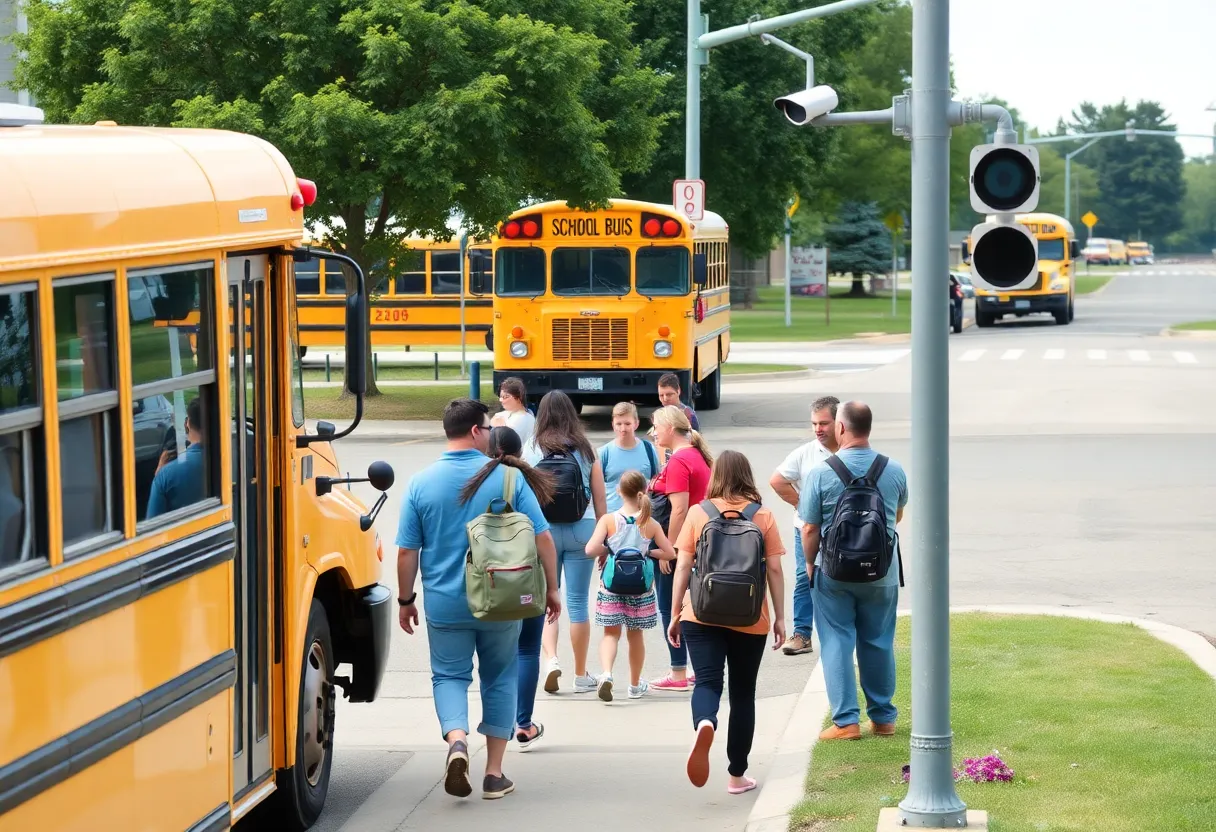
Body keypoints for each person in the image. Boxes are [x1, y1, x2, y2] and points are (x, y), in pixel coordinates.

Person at [396, 398, 561, 799]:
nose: (491, 434)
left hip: (445, 602)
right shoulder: (507, 479)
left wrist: (405, 599)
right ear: (475, 431)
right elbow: (541, 537)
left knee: (449, 675)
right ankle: (493, 773)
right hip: (500, 599)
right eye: (488, 428)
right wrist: (552, 587)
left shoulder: (421, 482)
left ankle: (456, 741)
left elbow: (406, 552)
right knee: (500, 676)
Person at [668, 450, 786, 794]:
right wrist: (780, 617)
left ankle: (705, 721)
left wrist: (676, 612)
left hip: (700, 613)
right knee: (743, 694)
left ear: (716, 476)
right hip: (750, 617)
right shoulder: (761, 516)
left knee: (706, 682)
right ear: (747, 476)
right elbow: (775, 569)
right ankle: (737, 775)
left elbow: (684, 567)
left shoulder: (697, 514)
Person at [798, 401, 908, 741]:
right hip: (881, 571)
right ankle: (883, 718)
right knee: (878, 640)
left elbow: (809, 528)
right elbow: (897, 516)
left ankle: (846, 721)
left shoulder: (820, 472)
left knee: (836, 641)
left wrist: (808, 563)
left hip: (834, 573)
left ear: (841, 429)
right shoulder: (894, 470)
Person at [458, 426, 555, 752]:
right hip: (525, 581)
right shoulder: (523, 481)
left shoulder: (477, 483)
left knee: (491, 662)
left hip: (488, 586)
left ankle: (476, 731)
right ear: (520, 451)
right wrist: (552, 588)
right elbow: (543, 537)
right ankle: (523, 724)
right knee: (527, 650)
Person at [523, 390, 608, 695]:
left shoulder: (531, 449)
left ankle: (551, 661)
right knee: (576, 603)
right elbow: (600, 500)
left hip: (543, 531)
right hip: (581, 531)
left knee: (549, 598)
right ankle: (581, 674)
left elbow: (524, 497)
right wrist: (604, 541)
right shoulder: (587, 449)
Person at [585, 470, 676, 701]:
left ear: (619, 491)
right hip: (640, 588)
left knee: (610, 634)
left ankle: (606, 673)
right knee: (635, 636)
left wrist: (611, 549)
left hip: (612, 585)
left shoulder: (608, 520)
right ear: (643, 492)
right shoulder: (651, 523)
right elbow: (670, 552)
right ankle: (635, 686)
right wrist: (647, 552)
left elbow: (590, 549)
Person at [768, 396, 840, 656]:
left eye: (824, 423)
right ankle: (801, 635)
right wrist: (802, 505)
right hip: (807, 529)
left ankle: (837, 634)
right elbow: (777, 481)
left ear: (839, 422)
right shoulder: (805, 453)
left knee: (838, 579)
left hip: (842, 531)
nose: (818, 429)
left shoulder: (849, 449)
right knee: (804, 577)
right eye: (814, 424)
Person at [648, 404, 713, 691]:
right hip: (699, 540)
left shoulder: (678, 461)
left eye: (656, 427)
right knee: (694, 606)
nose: (653, 432)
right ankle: (700, 668)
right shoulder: (697, 455)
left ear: (671, 429)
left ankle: (678, 673)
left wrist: (669, 548)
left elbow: (678, 508)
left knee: (670, 608)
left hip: (679, 545)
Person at [147, 396, 206, 518]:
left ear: (187, 423)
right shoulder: (234, 457)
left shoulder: (165, 475)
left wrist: (159, 473)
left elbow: (152, 522)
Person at [598, 401, 662, 513]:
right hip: (613, 518)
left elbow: (657, 483)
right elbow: (597, 490)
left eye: (627, 424)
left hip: (643, 516)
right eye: (619, 424)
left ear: (636, 424)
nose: (623, 429)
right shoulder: (604, 453)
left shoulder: (649, 450)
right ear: (613, 425)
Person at [490, 377, 536, 447]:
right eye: (500, 396)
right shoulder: (529, 414)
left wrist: (500, 427)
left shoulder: (518, 420)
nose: (500, 400)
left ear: (518, 398)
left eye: (505, 397)